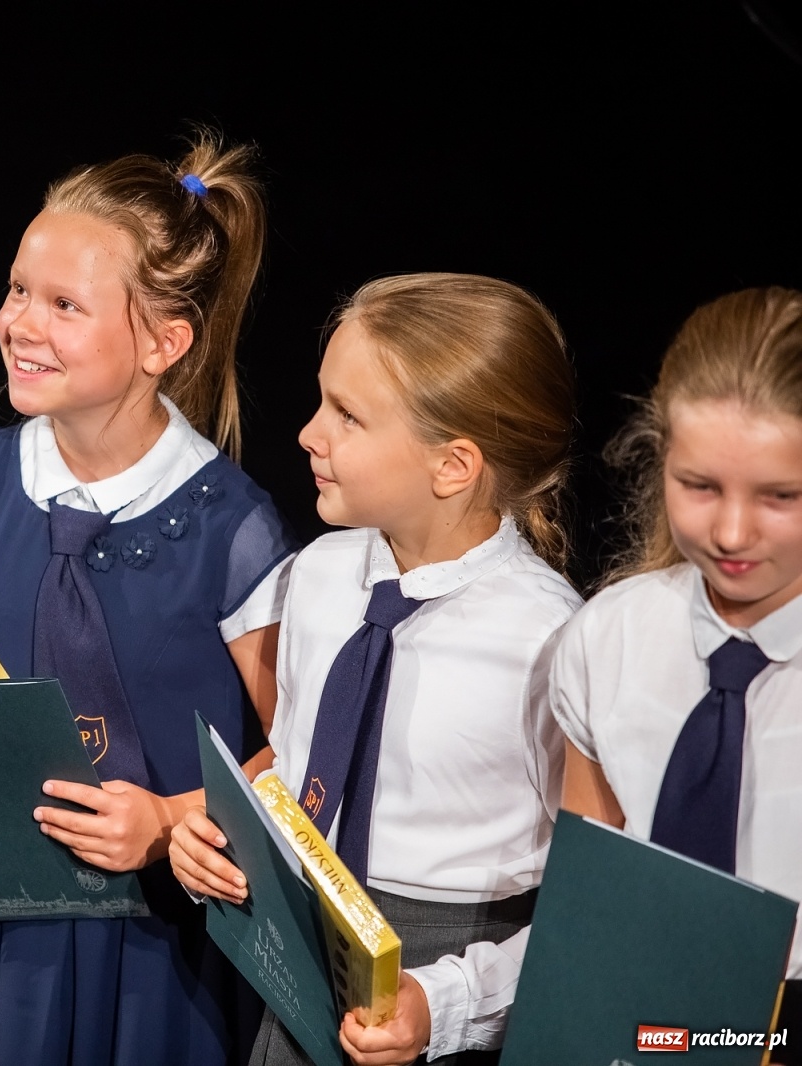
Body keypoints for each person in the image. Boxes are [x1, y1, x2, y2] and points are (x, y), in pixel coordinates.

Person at [0, 134, 297, 1065]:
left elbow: (298, 762)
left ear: (164, 341)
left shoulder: (233, 530)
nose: (21, 324)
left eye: (65, 305)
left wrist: (166, 823)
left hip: (156, 959)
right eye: (18, 291)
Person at [171, 274, 583, 1066]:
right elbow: (294, 779)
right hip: (302, 977)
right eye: (323, 400)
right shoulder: (321, 575)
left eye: (348, 416)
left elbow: (589, 907)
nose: (307, 433)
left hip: (441, 992)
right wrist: (222, 839)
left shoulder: (546, 640)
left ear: (453, 465)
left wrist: (448, 1005)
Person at [555, 287, 802, 1059]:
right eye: (699, 486)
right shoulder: (607, 638)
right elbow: (586, 896)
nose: (732, 531)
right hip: (637, 1014)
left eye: (781, 496)